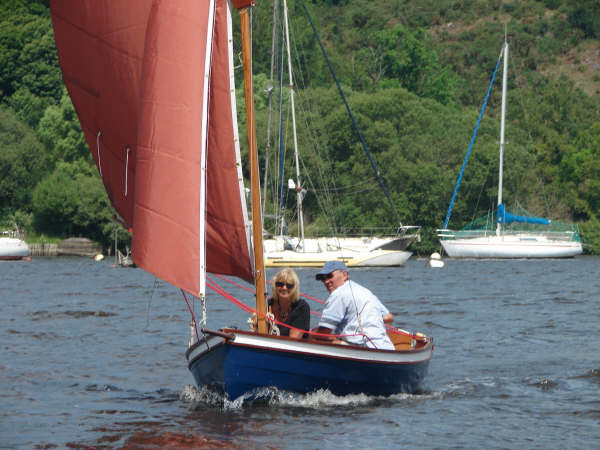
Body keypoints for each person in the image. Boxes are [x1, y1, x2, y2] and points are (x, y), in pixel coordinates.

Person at [312, 260, 394, 350]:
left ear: (344, 275)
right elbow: (388, 317)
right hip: (386, 347)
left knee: (313, 338)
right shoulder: (365, 291)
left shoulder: (338, 294)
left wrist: (311, 332)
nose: (326, 282)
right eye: (323, 279)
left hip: (363, 348)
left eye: (329, 276)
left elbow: (323, 333)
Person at [268, 267, 310, 339]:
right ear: (275, 285)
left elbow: (293, 341)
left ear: (294, 288)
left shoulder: (301, 308)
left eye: (289, 285)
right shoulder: (267, 305)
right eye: (280, 284)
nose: (284, 288)